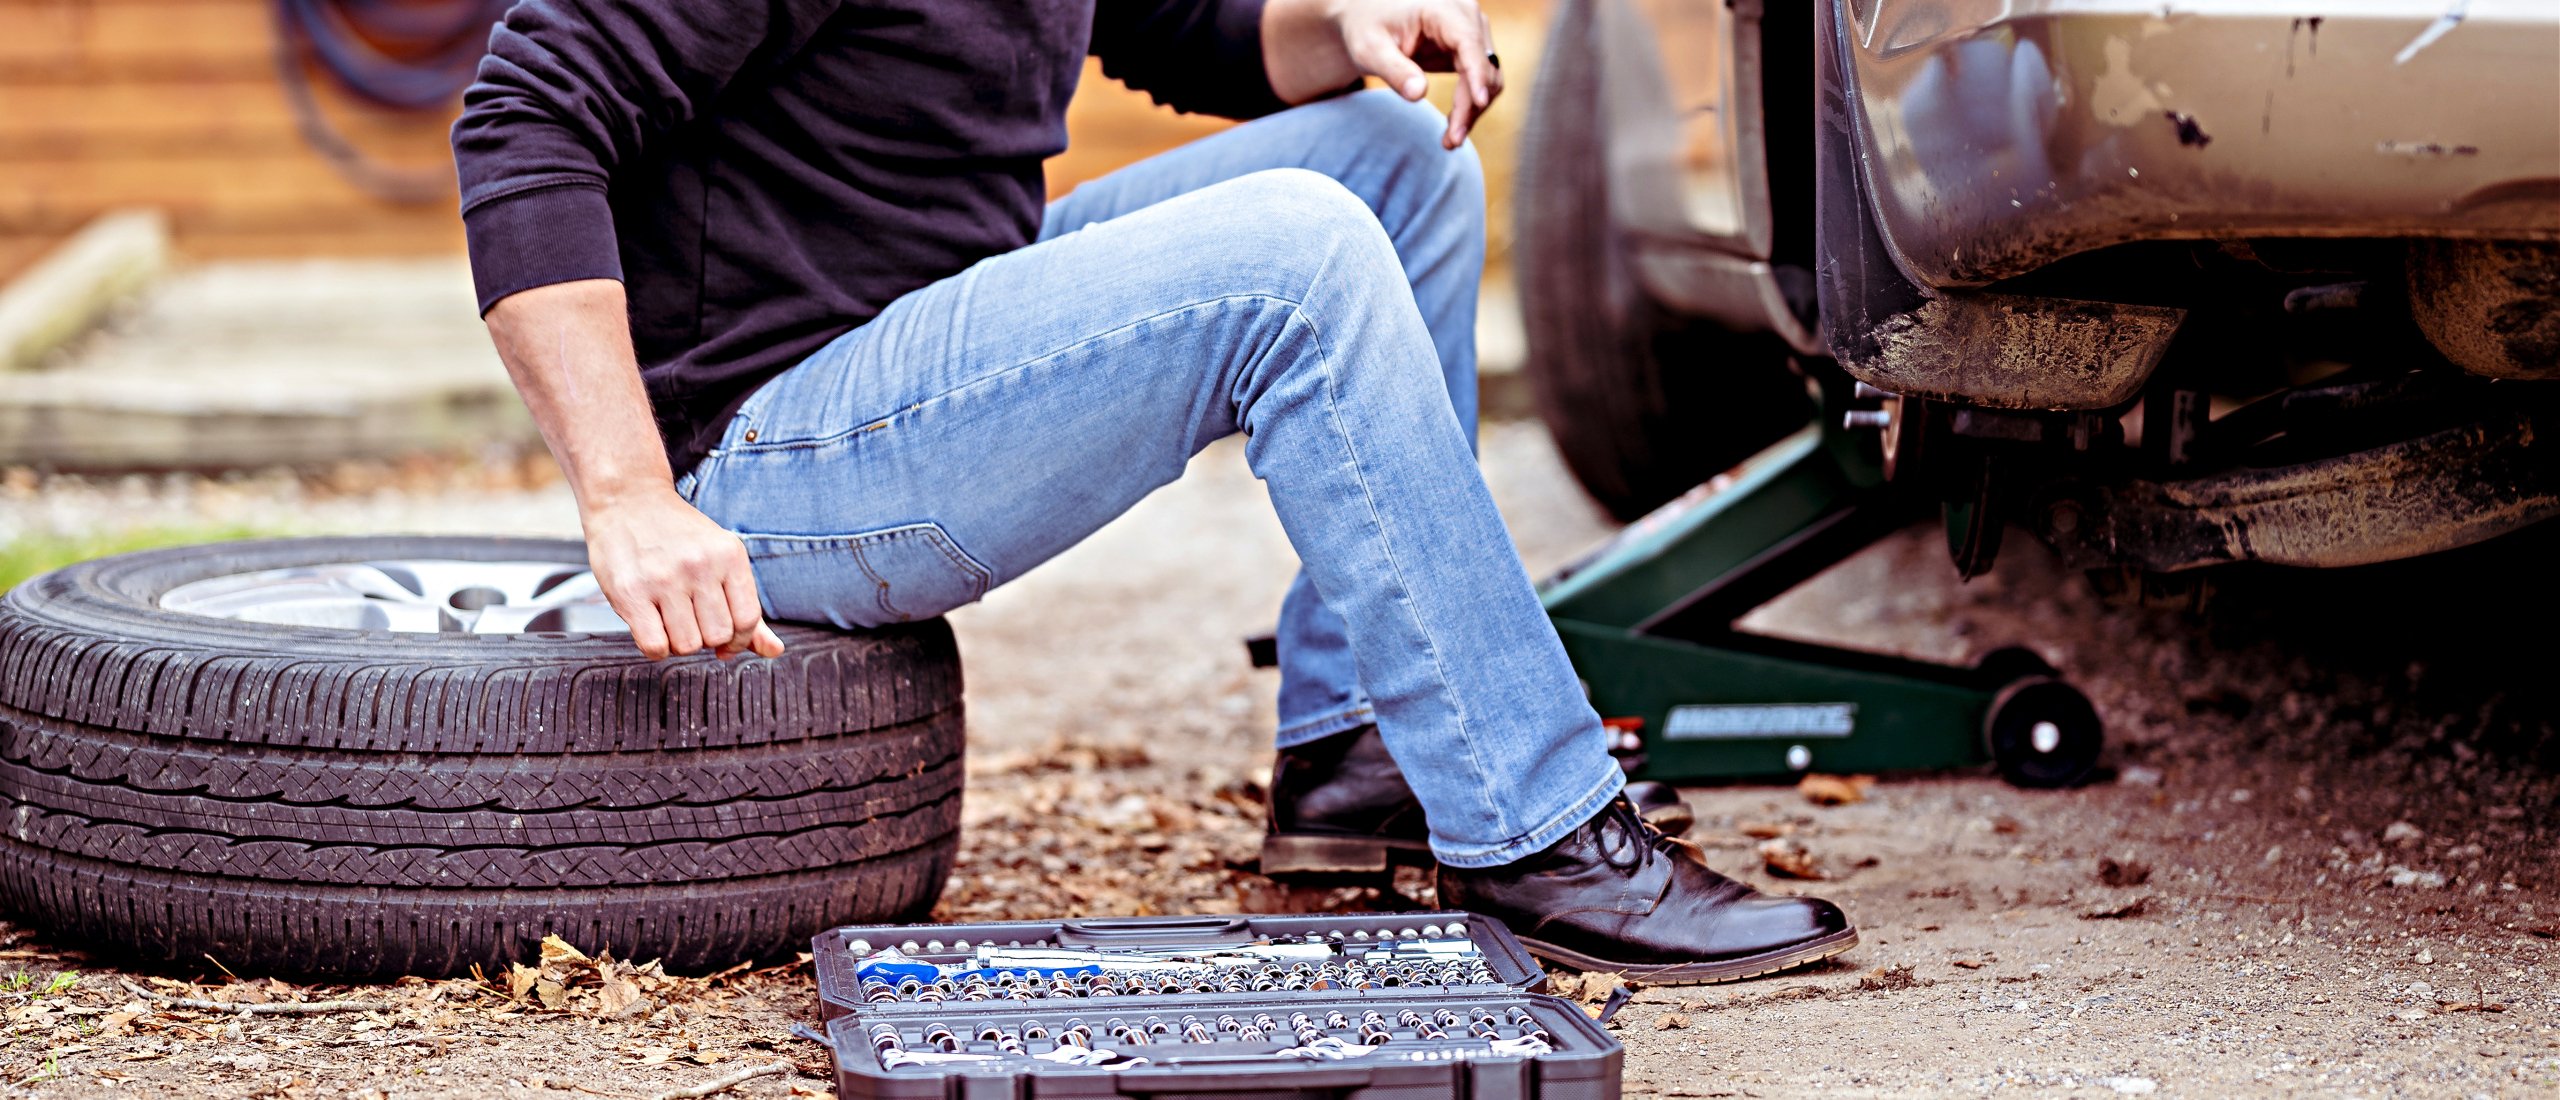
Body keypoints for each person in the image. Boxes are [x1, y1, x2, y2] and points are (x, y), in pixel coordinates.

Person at [453, 0, 1854, 983]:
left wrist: (1342, 29)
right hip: (771, 452)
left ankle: (1362, 749)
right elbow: (524, 115)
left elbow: (1177, 25)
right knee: (1294, 254)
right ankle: (1536, 827)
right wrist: (630, 490)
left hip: (930, 326)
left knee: (1389, 159)